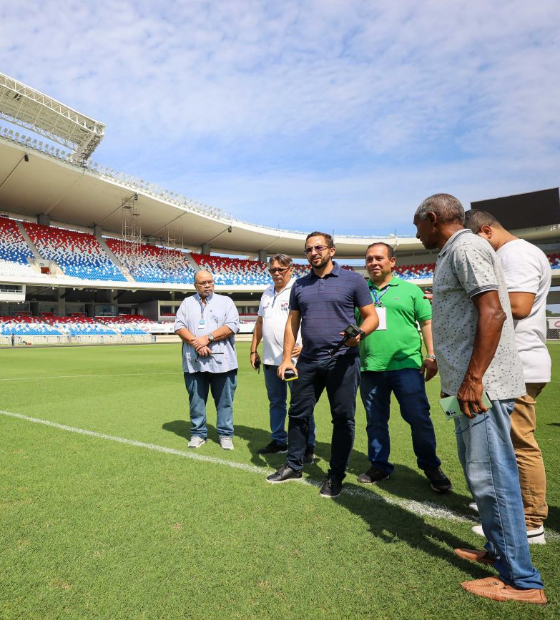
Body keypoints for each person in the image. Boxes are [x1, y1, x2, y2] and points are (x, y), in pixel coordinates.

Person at [413, 194, 545, 605]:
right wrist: (455, 381)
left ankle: (523, 582)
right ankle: (498, 550)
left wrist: (472, 379)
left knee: (494, 478)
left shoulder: (468, 246)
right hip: (467, 389)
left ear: (433, 219)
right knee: (480, 477)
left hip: (482, 389)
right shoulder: (458, 249)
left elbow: (493, 313)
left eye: (417, 225)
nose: (416, 234)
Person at [266, 232, 379, 498]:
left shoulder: (353, 280)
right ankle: (293, 465)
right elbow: (292, 323)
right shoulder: (300, 285)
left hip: (342, 361)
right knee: (297, 414)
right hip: (307, 362)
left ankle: (335, 475)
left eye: (319, 247)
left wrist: (360, 334)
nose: (314, 252)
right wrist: (285, 359)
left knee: (343, 419)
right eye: (308, 249)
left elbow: (371, 317)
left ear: (332, 250)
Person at [464, 209, 551, 544]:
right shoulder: (513, 252)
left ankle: (531, 521)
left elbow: (517, 305)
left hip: (521, 365)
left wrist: (468, 304)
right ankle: (511, 507)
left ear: (486, 231)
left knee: (519, 444)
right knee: (504, 442)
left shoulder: (516, 253)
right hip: (513, 363)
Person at [356, 242, 451, 492]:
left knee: (419, 418)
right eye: (369, 259)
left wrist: (432, 355)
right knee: (375, 421)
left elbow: (427, 323)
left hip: (407, 366)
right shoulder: (359, 292)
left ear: (392, 262)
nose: (373, 263)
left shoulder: (410, 290)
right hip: (370, 367)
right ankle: (379, 465)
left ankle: (430, 465)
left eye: (379, 258)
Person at [250, 254, 316, 461]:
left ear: (291, 269)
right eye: (273, 270)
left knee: (301, 404)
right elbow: (260, 324)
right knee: (276, 402)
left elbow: (312, 321)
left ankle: (307, 444)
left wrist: (305, 345)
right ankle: (279, 440)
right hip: (270, 359)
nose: (277, 273)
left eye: (281, 269)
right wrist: (254, 350)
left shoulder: (300, 289)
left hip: (295, 361)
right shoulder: (267, 293)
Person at [174, 270, 240, 450]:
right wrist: (198, 343)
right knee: (196, 401)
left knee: (225, 401)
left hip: (223, 362)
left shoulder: (226, 302)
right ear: (195, 285)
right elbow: (179, 327)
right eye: (202, 283)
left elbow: (232, 326)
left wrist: (208, 337)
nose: (207, 285)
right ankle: (198, 433)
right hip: (194, 362)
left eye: (210, 282)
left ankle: (226, 435)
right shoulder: (187, 303)